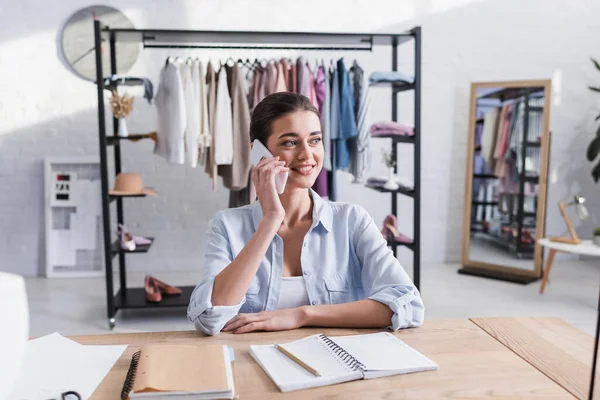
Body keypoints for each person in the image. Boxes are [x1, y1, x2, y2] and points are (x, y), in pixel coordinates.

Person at [187, 92, 423, 335]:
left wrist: (301, 315)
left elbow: (409, 305)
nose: (307, 155)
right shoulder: (227, 225)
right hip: (251, 360)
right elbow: (209, 319)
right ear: (258, 152)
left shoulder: (352, 221)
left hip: (336, 361)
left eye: (314, 140)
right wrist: (270, 221)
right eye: (290, 142)